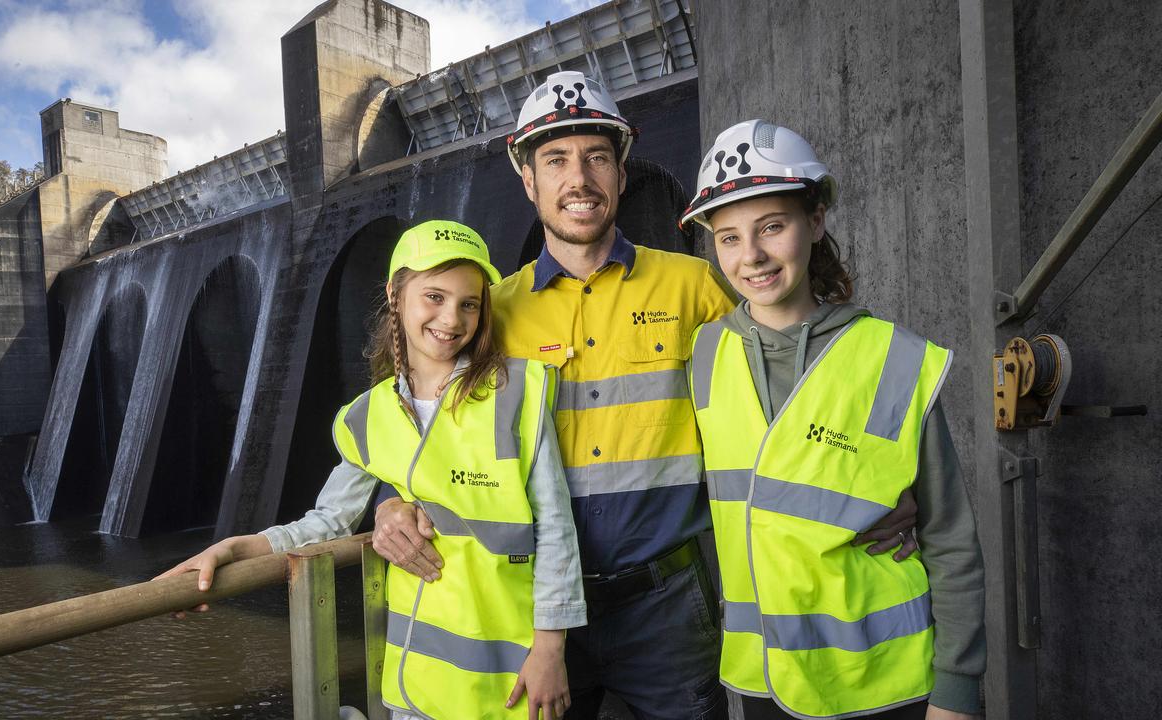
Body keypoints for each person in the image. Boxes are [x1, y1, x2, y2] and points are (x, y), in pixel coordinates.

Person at [370, 72, 921, 720]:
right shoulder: (495, 311)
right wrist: (391, 501)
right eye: (556, 161)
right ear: (529, 182)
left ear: (622, 172)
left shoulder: (694, 287)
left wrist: (874, 481)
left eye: (597, 157)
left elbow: (797, 382)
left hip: (668, 607)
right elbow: (426, 420)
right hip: (533, 609)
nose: (579, 178)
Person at [158, 220, 586, 720]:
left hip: (510, 681)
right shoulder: (367, 416)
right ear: (395, 294)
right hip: (413, 685)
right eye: (434, 296)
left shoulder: (520, 392)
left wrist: (551, 650)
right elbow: (326, 524)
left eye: (469, 303)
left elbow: (556, 528)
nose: (451, 318)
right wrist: (233, 547)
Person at [680, 120, 985, 720]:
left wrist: (958, 689)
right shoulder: (704, 354)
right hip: (765, 680)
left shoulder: (895, 358)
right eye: (729, 237)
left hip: (885, 681)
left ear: (815, 222)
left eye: (772, 227)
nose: (752, 257)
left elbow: (951, 537)